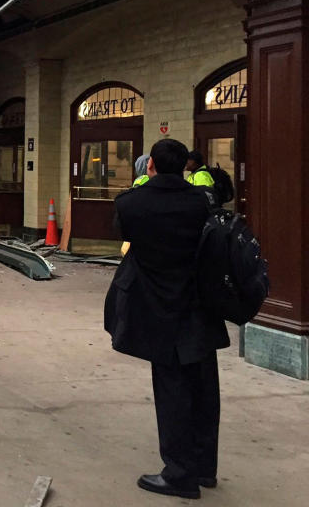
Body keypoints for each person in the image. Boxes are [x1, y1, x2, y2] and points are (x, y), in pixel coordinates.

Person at [105, 138, 230, 499]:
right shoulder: (202, 202)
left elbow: (126, 236)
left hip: (159, 309)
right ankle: (205, 467)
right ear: (184, 166)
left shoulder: (131, 204)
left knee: (172, 389)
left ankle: (178, 474)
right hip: (201, 306)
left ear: (150, 166)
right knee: (205, 387)